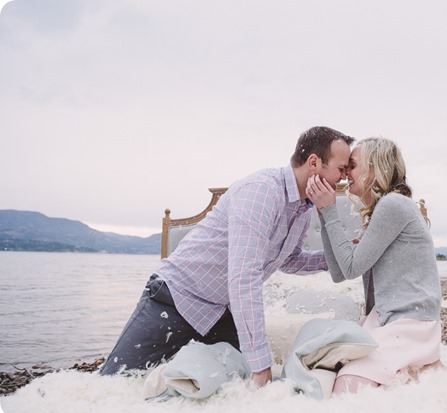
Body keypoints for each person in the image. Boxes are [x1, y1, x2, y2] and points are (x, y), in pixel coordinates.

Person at [100, 126, 355, 389]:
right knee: (111, 384)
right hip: (175, 301)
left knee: (234, 390)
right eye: (341, 168)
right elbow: (244, 278)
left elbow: (290, 260)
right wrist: (261, 366)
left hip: (222, 313)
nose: (344, 178)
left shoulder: (303, 208)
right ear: (314, 162)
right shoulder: (262, 192)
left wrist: (340, 255)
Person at [305, 137, 441, 394]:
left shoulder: (394, 205)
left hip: (409, 323)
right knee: (320, 355)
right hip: (385, 319)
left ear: (374, 168)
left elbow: (351, 267)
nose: (346, 174)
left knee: (347, 387)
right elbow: (338, 273)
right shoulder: (382, 210)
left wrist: (331, 211)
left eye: (352, 165)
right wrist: (324, 215)